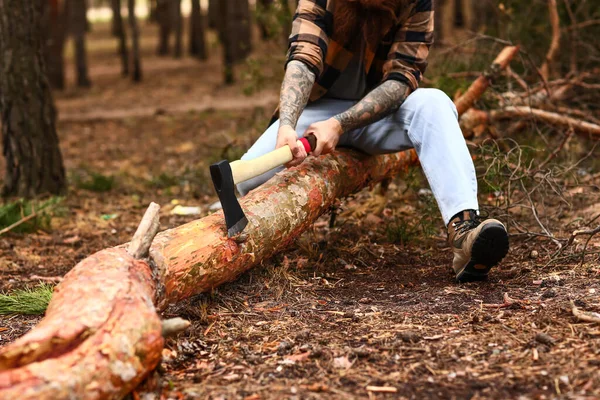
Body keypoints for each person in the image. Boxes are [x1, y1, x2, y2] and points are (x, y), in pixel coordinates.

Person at [237, 0, 509, 282]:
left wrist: (340, 125)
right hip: (317, 109)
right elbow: (303, 58)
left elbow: (402, 78)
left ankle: (464, 233)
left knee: (435, 104)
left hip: (380, 113)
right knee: (247, 178)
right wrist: (287, 125)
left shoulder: (416, 2)